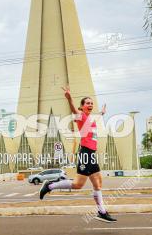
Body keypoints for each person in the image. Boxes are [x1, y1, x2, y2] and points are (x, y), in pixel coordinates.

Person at [39, 86, 116, 222]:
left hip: (91, 154)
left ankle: (102, 212)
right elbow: (74, 111)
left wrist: (102, 113)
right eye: (88, 103)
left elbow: (94, 119)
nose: (90, 105)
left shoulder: (90, 119)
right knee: (78, 185)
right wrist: (69, 99)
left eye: (92, 103)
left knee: (98, 183)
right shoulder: (81, 116)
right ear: (83, 106)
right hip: (85, 153)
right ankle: (50, 186)